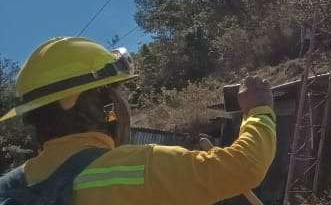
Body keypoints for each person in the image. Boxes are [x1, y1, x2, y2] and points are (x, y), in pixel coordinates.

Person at [0, 37, 276, 204]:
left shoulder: (9, 188)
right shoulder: (140, 168)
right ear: (95, 101)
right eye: (113, 95)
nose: (119, 107)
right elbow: (244, 167)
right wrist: (259, 110)